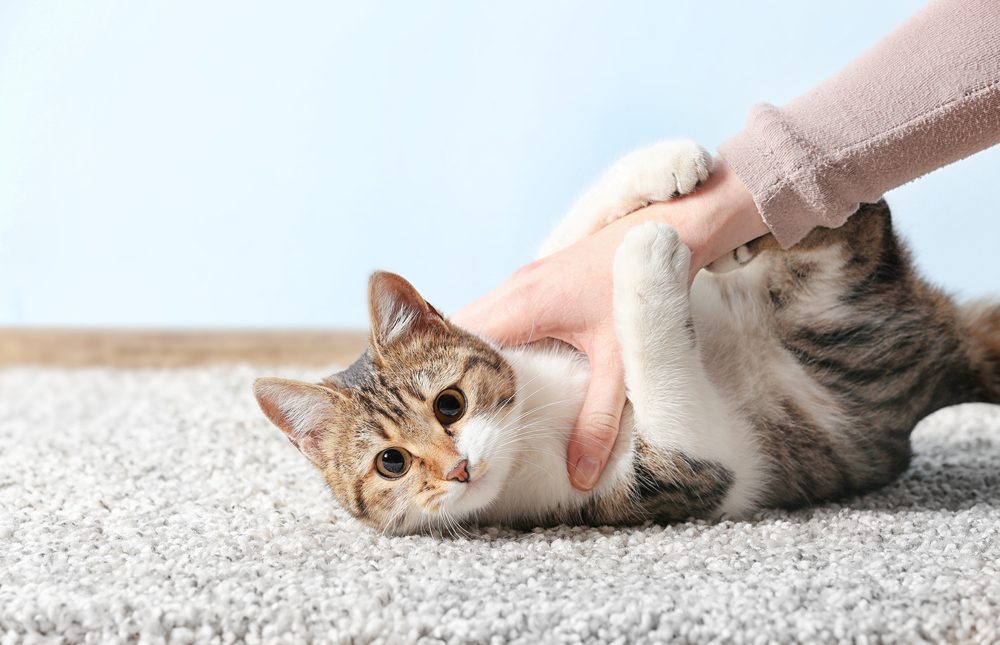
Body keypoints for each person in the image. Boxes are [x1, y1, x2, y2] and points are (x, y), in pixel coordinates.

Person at [453, 0, 1000, 491]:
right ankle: (802, 230)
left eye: (449, 408)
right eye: (404, 464)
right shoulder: (529, 493)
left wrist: (637, 201)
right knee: (837, 254)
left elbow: (564, 277)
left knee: (570, 288)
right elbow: (701, 472)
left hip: (751, 301)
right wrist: (653, 291)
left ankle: (779, 224)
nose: (450, 467)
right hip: (818, 401)